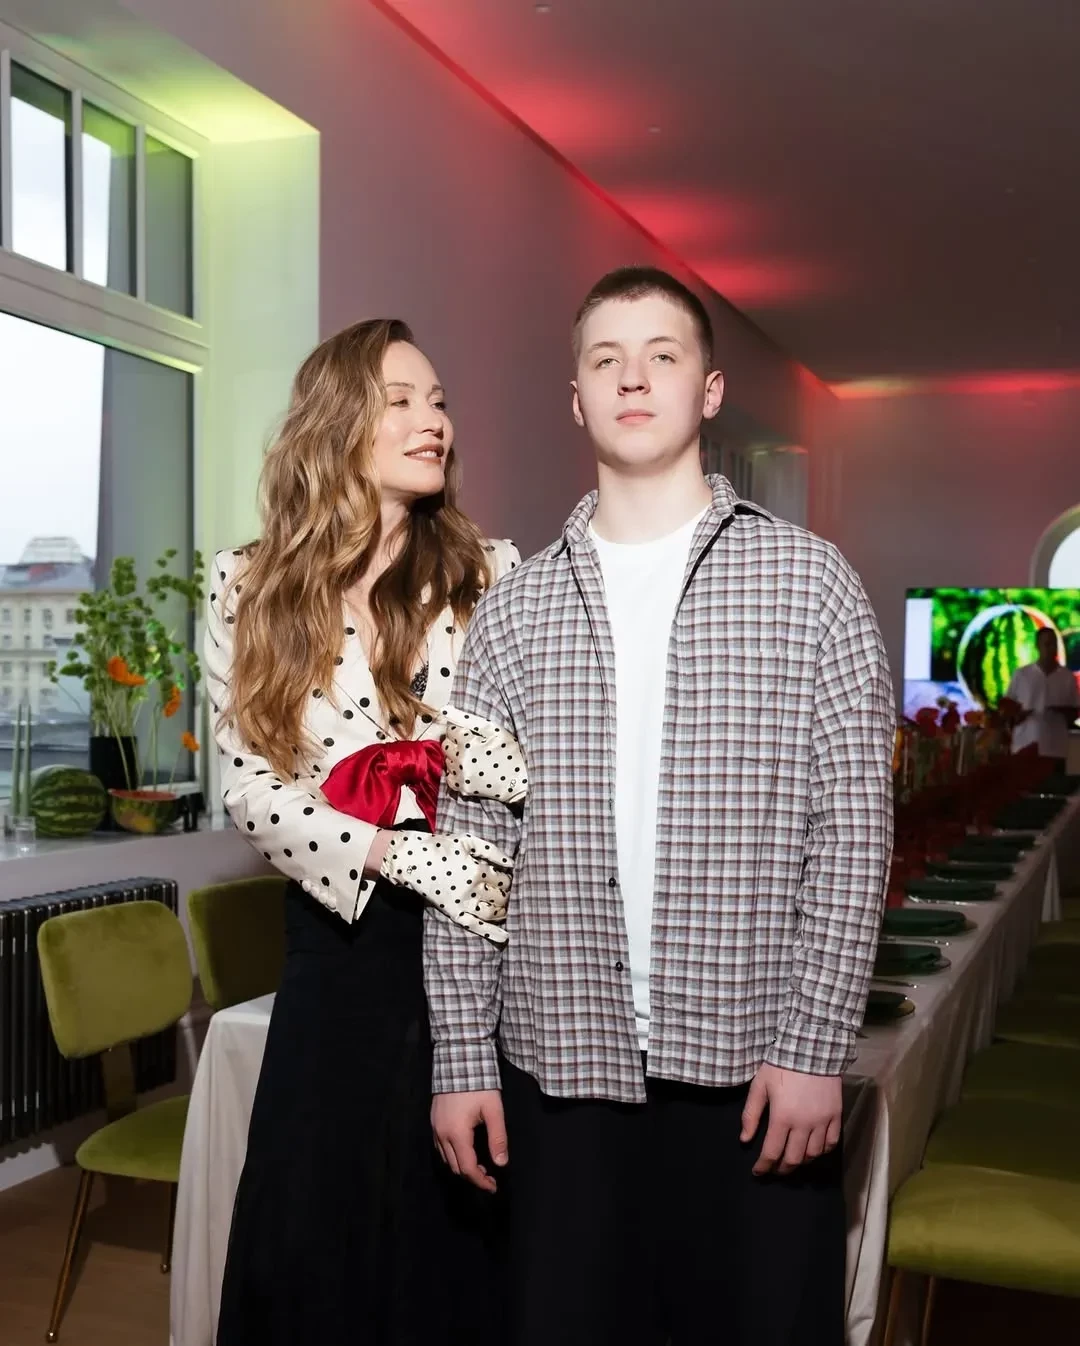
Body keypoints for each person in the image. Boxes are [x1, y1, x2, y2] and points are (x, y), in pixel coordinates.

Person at [423, 267, 895, 1346]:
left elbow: (854, 831)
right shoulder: (513, 614)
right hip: (559, 1069)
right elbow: (471, 853)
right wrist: (460, 1057)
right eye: (607, 359)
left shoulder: (811, 583)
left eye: (663, 355)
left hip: (756, 1070)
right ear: (577, 399)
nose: (633, 378)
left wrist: (815, 1044)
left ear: (709, 390)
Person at [204, 318, 519, 1346]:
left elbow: (527, 759)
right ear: (338, 421)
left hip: (474, 944)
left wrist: (469, 765)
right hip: (339, 949)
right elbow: (251, 790)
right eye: (403, 399)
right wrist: (397, 849)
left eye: (440, 400)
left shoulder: (492, 574)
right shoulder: (246, 583)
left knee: (456, 1247)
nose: (434, 419)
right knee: (315, 1240)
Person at [1006, 626, 1080, 770]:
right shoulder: (1021, 674)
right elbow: (1007, 709)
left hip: (1056, 748)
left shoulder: (1067, 677)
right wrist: (1019, 715)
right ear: (1037, 646)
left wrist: (1061, 712)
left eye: (1054, 644)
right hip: (1025, 745)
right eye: (1047, 644)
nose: (1052, 649)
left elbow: (1074, 712)